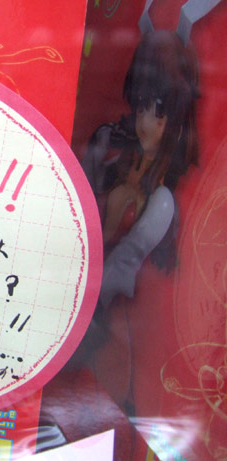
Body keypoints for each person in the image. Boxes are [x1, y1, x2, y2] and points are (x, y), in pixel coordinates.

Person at [83, 30, 199, 309]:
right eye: (141, 107)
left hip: (106, 301)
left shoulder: (163, 201)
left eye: (158, 113)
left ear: (175, 120)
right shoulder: (120, 158)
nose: (145, 122)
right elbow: (84, 196)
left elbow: (125, 262)